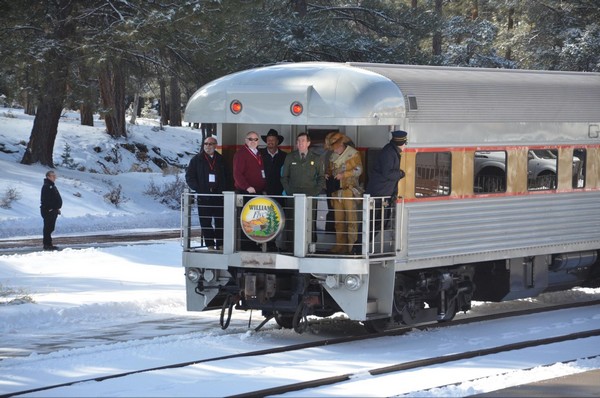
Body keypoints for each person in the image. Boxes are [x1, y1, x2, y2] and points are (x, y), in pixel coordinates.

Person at [281, 133, 325, 249]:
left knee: (310, 221)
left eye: (303, 141)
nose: (300, 143)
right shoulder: (290, 157)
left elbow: (321, 177)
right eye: (298, 141)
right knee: (291, 221)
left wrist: (315, 192)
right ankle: (290, 246)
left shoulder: (316, 158)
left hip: (310, 196)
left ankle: (310, 246)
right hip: (293, 196)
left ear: (308, 143)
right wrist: (289, 191)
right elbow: (284, 177)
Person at [185, 136, 229, 250]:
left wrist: (224, 189)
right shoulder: (196, 160)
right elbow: (189, 177)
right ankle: (210, 244)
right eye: (206, 144)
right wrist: (198, 189)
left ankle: (220, 243)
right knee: (205, 221)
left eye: (210, 144)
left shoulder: (221, 159)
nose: (207, 146)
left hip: (218, 196)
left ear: (215, 146)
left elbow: (228, 177)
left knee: (220, 221)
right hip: (204, 196)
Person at [325, 132, 363, 254]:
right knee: (338, 221)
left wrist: (344, 174)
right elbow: (330, 169)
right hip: (336, 193)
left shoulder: (353, 154)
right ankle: (340, 245)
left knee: (352, 221)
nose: (333, 150)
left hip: (349, 191)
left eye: (334, 147)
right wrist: (327, 174)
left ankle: (352, 247)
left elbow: (359, 170)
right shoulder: (332, 156)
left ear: (340, 145)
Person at [365, 130, 407, 235]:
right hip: (379, 194)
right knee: (375, 223)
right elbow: (387, 173)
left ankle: (363, 247)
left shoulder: (391, 150)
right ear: (401, 143)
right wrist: (401, 174)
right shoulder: (389, 153)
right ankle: (360, 248)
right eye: (405, 143)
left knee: (377, 223)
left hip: (382, 193)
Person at [40, 170, 63, 251]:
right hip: (48, 210)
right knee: (48, 227)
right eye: (52, 176)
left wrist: (56, 208)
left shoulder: (52, 186)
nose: (54, 177)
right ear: (48, 177)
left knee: (50, 228)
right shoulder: (47, 186)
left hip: (53, 210)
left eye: (55, 176)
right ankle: (47, 245)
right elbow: (45, 199)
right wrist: (50, 208)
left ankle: (49, 244)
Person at [260, 129, 287, 196]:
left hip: (280, 192)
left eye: (273, 140)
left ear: (277, 141)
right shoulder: (259, 154)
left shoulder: (285, 156)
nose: (270, 142)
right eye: (268, 140)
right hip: (262, 192)